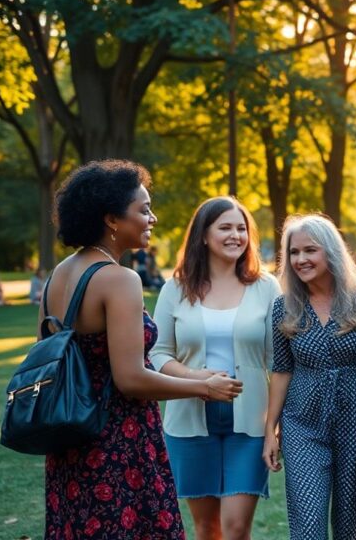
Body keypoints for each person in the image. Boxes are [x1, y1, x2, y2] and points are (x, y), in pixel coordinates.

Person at [43, 160, 242, 539]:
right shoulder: (120, 279)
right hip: (118, 441)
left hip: (70, 437)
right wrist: (204, 388)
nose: (152, 218)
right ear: (112, 220)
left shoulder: (59, 274)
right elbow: (131, 378)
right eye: (144, 209)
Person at [149, 196, 281, 540]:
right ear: (204, 235)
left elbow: (278, 360)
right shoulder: (176, 288)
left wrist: (274, 426)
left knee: (236, 529)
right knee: (208, 528)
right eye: (225, 227)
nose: (236, 235)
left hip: (249, 425)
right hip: (188, 423)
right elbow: (158, 354)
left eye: (242, 228)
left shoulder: (266, 287)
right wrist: (201, 381)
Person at [265, 214, 356, 539]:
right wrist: (270, 431)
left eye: (309, 250)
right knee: (307, 525)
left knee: (354, 525)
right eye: (293, 252)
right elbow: (282, 369)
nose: (300, 259)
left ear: (330, 251)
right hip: (302, 424)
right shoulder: (283, 307)